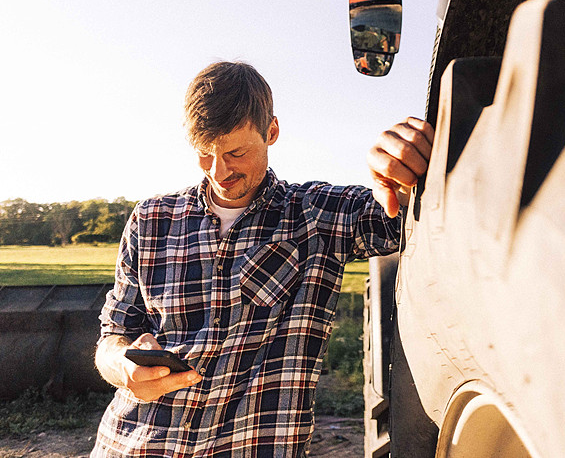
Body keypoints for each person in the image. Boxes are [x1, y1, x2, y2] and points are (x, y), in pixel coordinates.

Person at [91, 61, 433, 457]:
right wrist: (124, 369)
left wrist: (401, 172)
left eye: (235, 152)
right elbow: (111, 337)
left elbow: (408, 218)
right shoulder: (150, 219)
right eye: (204, 154)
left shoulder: (317, 215)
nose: (219, 171)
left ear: (271, 131)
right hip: (132, 445)